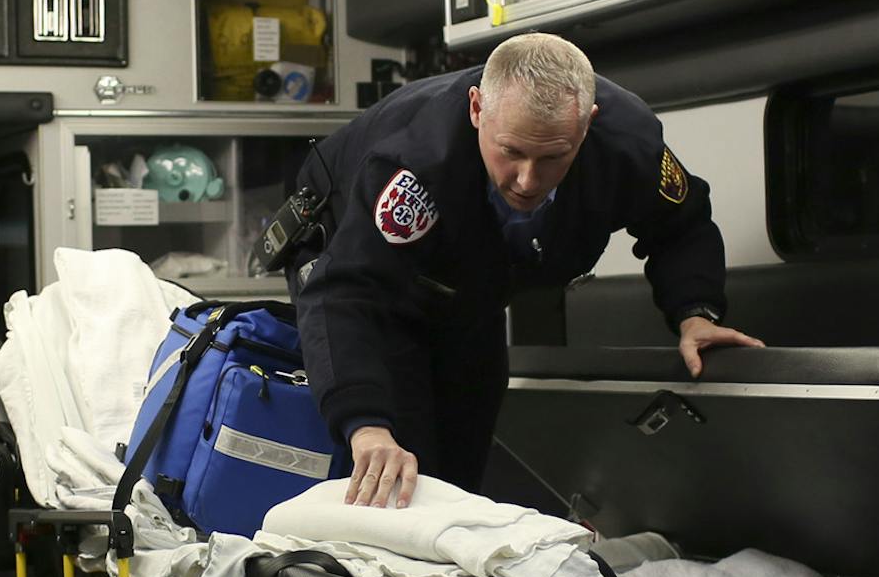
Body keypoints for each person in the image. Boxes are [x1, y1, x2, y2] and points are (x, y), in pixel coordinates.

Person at [288, 32, 760, 509]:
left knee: (463, 453)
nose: (528, 180)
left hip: (470, 281)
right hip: (352, 247)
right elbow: (345, 291)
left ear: (587, 125)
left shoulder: (627, 145)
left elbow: (682, 225)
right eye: (511, 151)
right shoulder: (412, 163)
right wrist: (367, 426)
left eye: (553, 157)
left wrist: (696, 313)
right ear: (477, 110)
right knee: (402, 460)